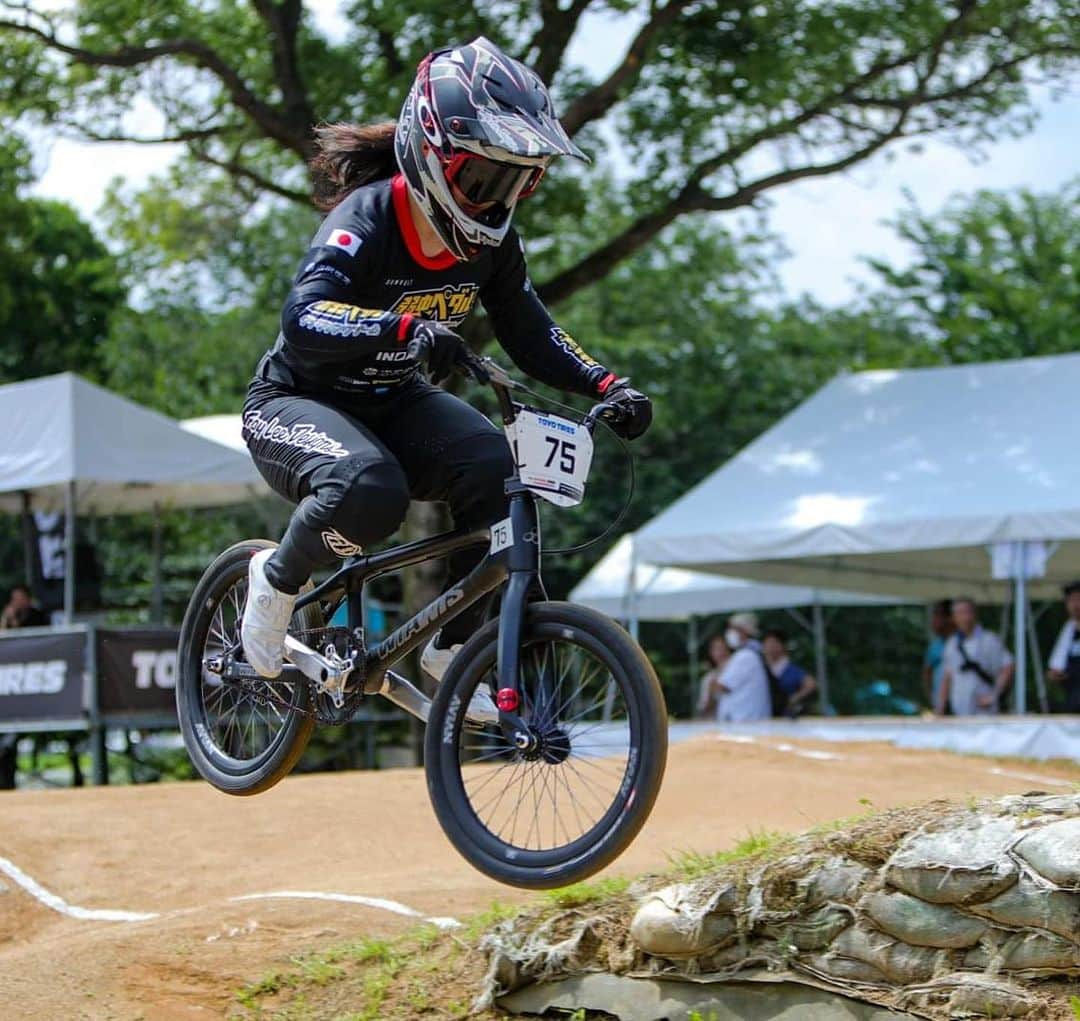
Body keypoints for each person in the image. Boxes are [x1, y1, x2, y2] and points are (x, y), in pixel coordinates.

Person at [239, 38, 652, 698]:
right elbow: (303, 319)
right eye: (483, 179)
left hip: (393, 399)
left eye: (520, 180)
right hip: (295, 399)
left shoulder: (494, 246)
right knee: (371, 491)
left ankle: (454, 646)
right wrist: (404, 327)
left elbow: (528, 327)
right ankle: (277, 577)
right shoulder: (369, 217)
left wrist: (606, 382)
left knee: (498, 472)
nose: (495, 201)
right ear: (429, 151)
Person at [936, 597, 1014, 716]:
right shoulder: (951, 644)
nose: (965, 618)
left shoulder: (989, 640)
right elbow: (947, 677)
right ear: (954, 618)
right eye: (960, 613)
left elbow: (1008, 666)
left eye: (968, 612)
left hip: (984, 711)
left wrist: (995, 695)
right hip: (959, 710)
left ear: (975, 614)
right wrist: (941, 707)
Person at [713, 612, 771, 722]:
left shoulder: (745, 656)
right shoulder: (752, 653)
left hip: (745, 724)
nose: (729, 633)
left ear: (743, 631)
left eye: (732, 629)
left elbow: (721, 686)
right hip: (746, 722)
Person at [761, 628, 818, 716]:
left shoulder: (791, 669)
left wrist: (794, 698)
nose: (770, 647)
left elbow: (811, 684)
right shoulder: (761, 668)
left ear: (782, 645)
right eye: (767, 643)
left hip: (786, 717)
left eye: (774, 643)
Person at [1046, 580, 1080, 713]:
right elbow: (1056, 667)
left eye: (1078, 599)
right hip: (1073, 700)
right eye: (1071, 601)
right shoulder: (1068, 629)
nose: (1075, 605)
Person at [922, 598, 954, 712]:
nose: (933, 621)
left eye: (937, 615)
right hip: (940, 706)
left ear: (951, 618)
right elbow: (927, 673)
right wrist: (933, 699)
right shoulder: (935, 646)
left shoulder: (965, 643)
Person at [695, 633, 731, 718]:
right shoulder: (708, 678)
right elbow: (704, 711)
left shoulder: (737, 671)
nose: (721, 652)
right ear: (711, 653)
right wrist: (711, 692)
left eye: (723, 647)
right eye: (717, 648)